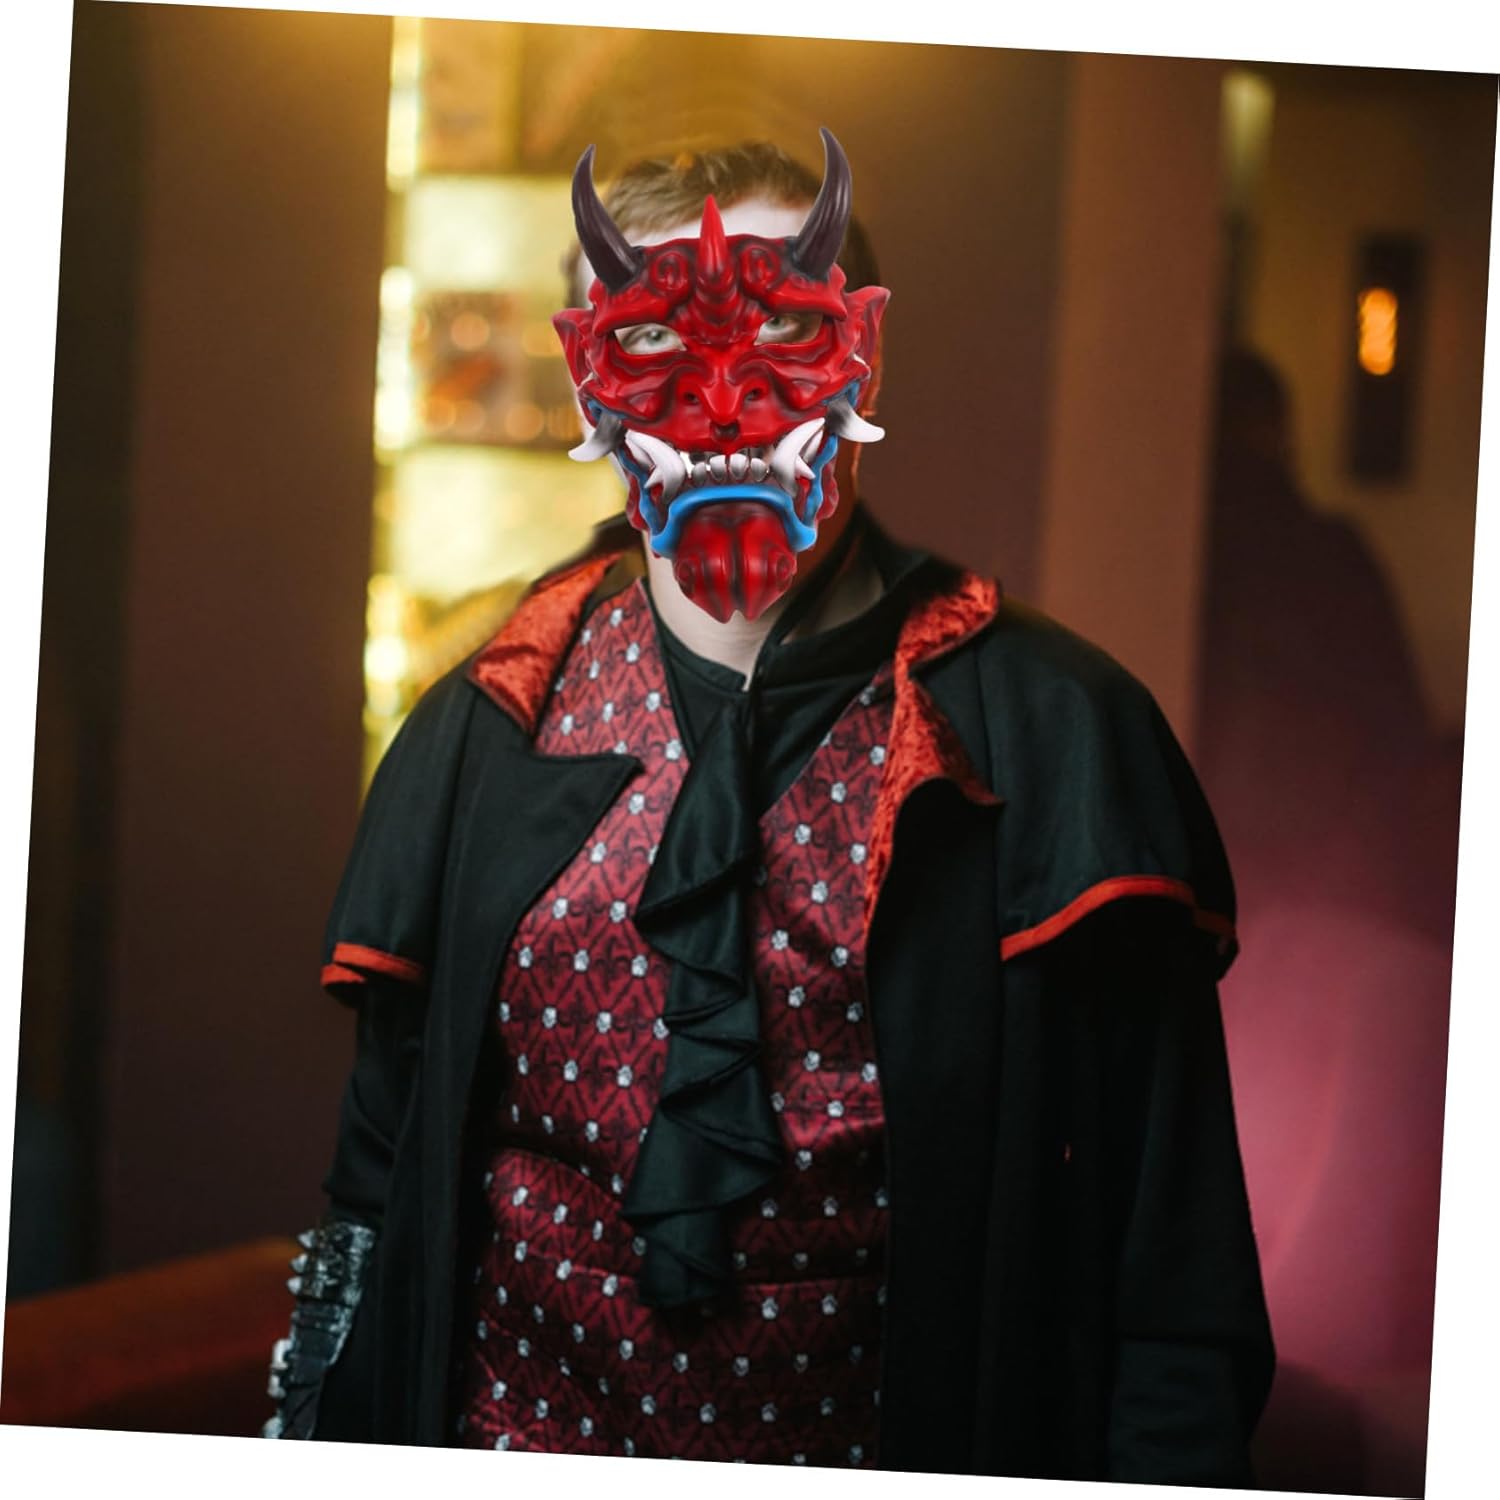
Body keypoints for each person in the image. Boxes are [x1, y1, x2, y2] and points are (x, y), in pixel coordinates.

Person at [265, 130, 1274, 1485]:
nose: (724, 397)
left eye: (785, 328)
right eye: (652, 341)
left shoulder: (1057, 737)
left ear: (866, 357)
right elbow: (373, 1196)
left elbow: (1174, 1273)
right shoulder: (484, 727)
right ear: (587, 381)